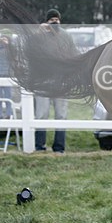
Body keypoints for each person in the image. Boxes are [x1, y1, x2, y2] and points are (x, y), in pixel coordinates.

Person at [34, 9, 70, 153]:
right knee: (41, 115)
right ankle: (39, 146)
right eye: (52, 20)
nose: (55, 22)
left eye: (57, 20)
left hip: (61, 83)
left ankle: (59, 148)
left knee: (61, 115)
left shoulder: (65, 37)